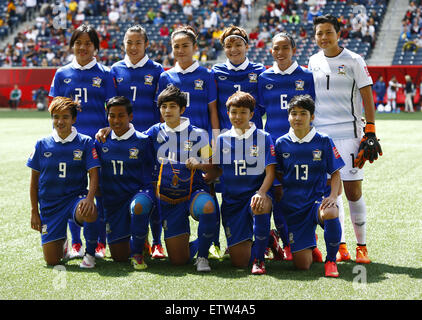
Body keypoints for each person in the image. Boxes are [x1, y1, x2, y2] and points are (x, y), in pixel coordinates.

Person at [308, 14, 383, 264]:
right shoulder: (313, 61)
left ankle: (361, 246)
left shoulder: (354, 60)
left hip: (349, 134)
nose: (324, 37)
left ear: (338, 34)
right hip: (322, 137)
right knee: (332, 195)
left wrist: (370, 130)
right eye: (319, 33)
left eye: (328, 32)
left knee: (353, 192)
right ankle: (340, 245)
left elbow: (367, 96)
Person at [49, 24, 117, 261]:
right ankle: (75, 242)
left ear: (96, 47)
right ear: (72, 45)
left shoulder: (106, 73)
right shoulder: (62, 74)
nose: (83, 47)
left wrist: (107, 127)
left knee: (99, 194)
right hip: (70, 144)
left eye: (88, 43)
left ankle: (100, 243)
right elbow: (55, 112)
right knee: (71, 193)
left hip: (98, 144)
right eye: (78, 42)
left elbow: (112, 110)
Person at [257, 32, 320, 262]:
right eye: (276, 48)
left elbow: (314, 113)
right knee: (278, 194)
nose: (280, 52)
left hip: (301, 146)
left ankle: (306, 242)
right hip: (274, 146)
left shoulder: (307, 76)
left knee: (300, 195)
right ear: (271, 51)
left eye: (285, 47)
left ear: (294, 49)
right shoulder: (264, 78)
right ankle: (284, 241)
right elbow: (259, 113)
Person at [145, 84, 218, 272]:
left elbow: (215, 168)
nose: (167, 110)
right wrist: (106, 131)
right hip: (169, 199)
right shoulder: (153, 133)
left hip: (194, 193)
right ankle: (196, 244)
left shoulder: (198, 134)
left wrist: (201, 165)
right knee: (178, 261)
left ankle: (202, 257)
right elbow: (132, 142)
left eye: (172, 106)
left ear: (182, 109)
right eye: (163, 106)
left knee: (208, 206)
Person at [210, 25, 266, 259]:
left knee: (256, 191)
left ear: (246, 45)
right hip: (225, 142)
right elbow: (213, 107)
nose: (234, 49)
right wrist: (215, 136)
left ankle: (265, 239)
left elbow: (263, 106)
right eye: (229, 45)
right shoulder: (215, 71)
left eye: (238, 44)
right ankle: (216, 242)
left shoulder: (260, 71)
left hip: (253, 141)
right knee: (223, 192)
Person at [110, 25, 166, 259]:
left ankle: (156, 242)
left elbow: (162, 107)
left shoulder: (157, 70)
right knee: (123, 188)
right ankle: (131, 239)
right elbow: (111, 107)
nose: (133, 47)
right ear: (123, 44)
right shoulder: (114, 70)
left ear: (146, 44)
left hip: (150, 141)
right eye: (129, 42)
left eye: (138, 43)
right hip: (123, 142)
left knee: (153, 188)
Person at [206, 91, 276, 275]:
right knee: (239, 262)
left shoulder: (263, 137)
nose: (238, 117)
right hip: (232, 202)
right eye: (234, 112)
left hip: (256, 195)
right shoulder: (222, 139)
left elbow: (271, 171)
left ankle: (260, 260)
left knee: (259, 205)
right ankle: (268, 238)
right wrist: (202, 176)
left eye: (243, 112)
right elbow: (218, 169)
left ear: (252, 114)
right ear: (228, 113)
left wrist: (261, 192)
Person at [274, 94, 344, 277]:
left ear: (312, 117)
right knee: (302, 265)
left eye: (303, 113)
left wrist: (332, 197)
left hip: (316, 202)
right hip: (294, 208)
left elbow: (336, 173)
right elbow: (279, 175)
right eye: (294, 113)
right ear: (288, 116)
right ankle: (310, 246)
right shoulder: (281, 143)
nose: (297, 118)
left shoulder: (323, 140)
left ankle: (331, 261)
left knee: (331, 211)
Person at [27, 97, 100, 268]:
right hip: (50, 206)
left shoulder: (85, 142)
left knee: (89, 210)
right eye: (56, 117)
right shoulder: (41, 144)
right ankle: (63, 241)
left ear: (73, 119)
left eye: (65, 117)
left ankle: (89, 254)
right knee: (52, 260)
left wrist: (89, 198)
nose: (60, 121)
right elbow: (33, 182)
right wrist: (34, 211)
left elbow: (94, 175)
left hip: (75, 199)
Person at [95, 96, 155, 269]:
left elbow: (152, 171)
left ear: (131, 116)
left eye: (121, 115)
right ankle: (140, 238)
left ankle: (138, 252)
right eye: (111, 116)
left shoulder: (143, 140)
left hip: (138, 194)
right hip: (113, 200)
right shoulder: (101, 141)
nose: (116, 120)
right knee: (119, 257)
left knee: (139, 206)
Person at [156, 25, 219, 142]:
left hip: (202, 140)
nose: (180, 50)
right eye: (176, 46)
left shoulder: (207, 75)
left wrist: (215, 139)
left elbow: (213, 111)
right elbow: (162, 113)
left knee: (203, 160)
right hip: (173, 140)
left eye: (185, 46)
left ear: (195, 47)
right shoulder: (165, 77)